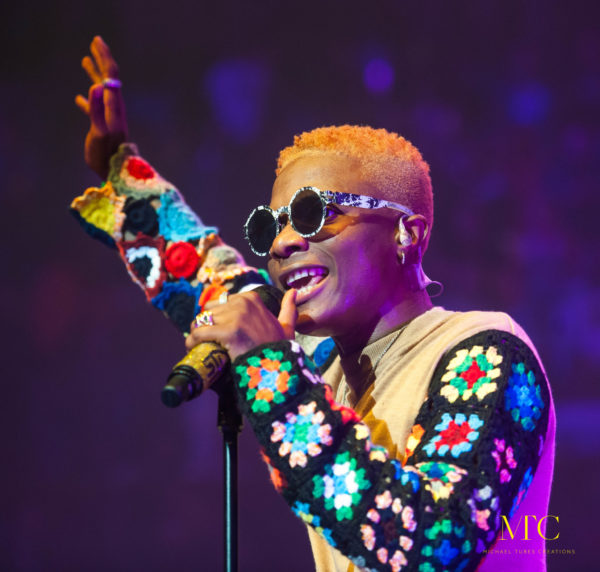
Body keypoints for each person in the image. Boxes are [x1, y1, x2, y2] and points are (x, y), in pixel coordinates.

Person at [73, 37, 555, 571]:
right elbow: (208, 275)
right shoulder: (319, 363)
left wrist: (274, 375)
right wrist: (121, 170)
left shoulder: (484, 350)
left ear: (407, 233)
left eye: (312, 215)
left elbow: (433, 544)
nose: (282, 243)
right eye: (269, 227)